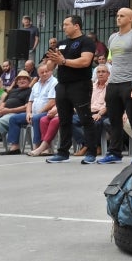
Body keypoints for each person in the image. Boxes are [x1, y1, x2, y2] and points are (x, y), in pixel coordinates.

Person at [42, 15, 100, 164]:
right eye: (63, 24)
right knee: (64, 120)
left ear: (76, 26)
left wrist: (63, 61)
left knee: (85, 118)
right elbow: (49, 67)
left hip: (80, 85)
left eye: (66, 24)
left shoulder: (86, 42)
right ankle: (63, 152)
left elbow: (85, 61)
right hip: (62, 85)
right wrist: (52, 60)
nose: (63, 27)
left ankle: (91, 152)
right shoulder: (61, 44)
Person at [98, 7, 132, 164]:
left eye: (122, 16)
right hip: (113, 83)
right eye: (117, 15)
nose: (118, 18)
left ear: (131, 18)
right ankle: (115, 153)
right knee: (114, 120)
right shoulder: (112, 37)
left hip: (130, 81)